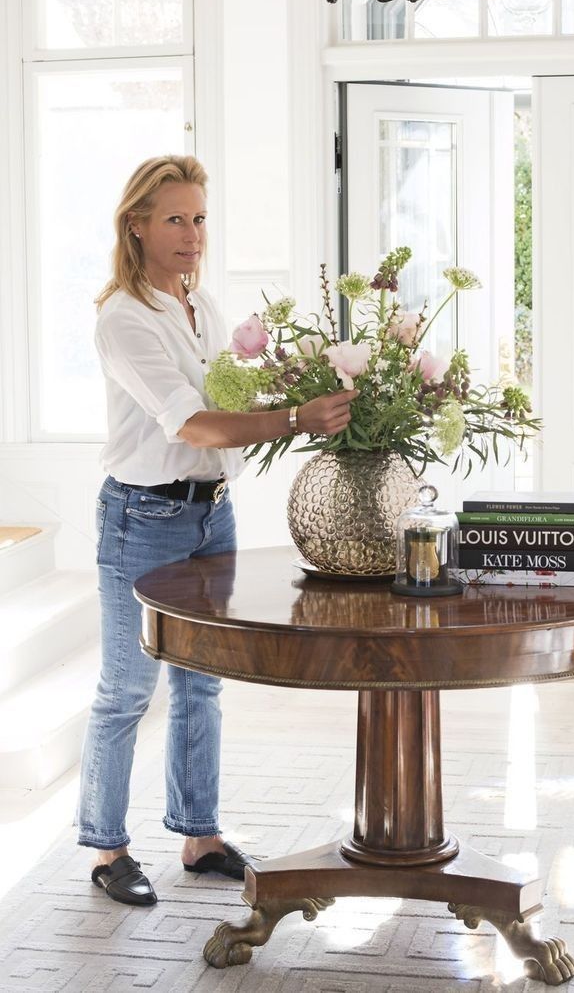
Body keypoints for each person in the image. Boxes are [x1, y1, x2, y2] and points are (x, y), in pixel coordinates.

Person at [76, 155, 356, 906]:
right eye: (174, 219)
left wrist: (300, 381)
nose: (192, 235)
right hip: (143, 518)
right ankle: (107, 851)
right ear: (136, 224)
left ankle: (198, 837)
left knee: (202, 681)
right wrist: (296, 419)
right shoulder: (123, 318)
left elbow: (235, 395)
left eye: (199, 218)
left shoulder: (200, 309)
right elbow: (193, 423)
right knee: (127, 689)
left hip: (210, 513)